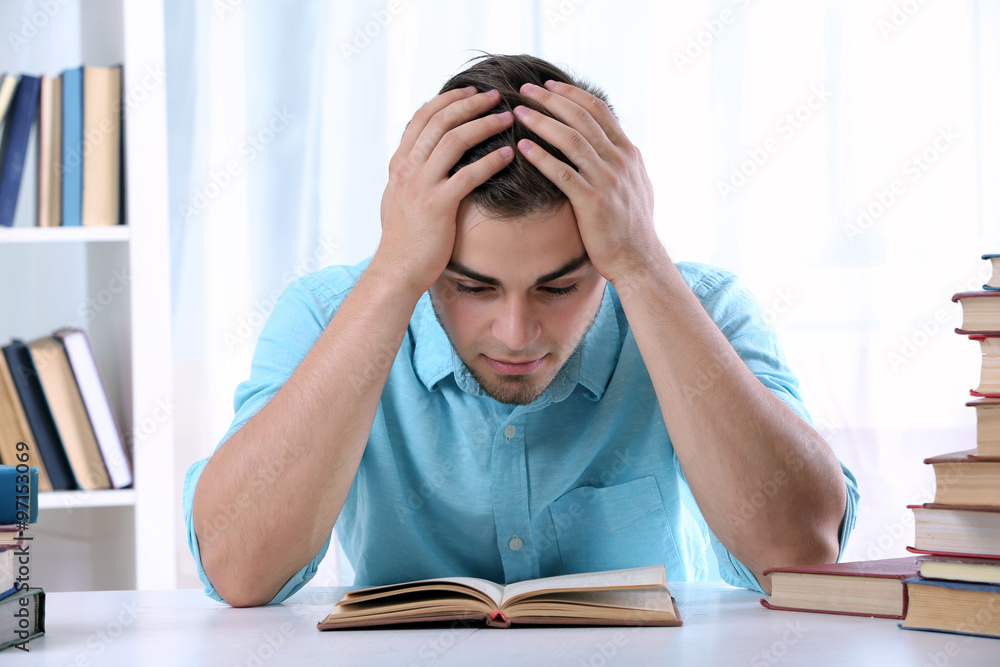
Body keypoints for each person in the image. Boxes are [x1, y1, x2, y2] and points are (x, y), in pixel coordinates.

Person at [184, 54, 859, 608]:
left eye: (560, 286)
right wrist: (394, 273)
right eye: (472, 286)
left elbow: (799, 553)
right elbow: (240, 569)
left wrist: (643, 264)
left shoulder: (701, 306)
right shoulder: (327, 312)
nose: (515, 332)